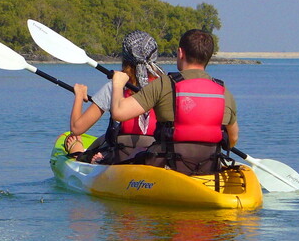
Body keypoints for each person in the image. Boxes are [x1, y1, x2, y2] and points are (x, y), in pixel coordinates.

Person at [109, 29, 238, 175]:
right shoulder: (223, 91)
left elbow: (119, 113)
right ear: (208, 57)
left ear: (180, 53)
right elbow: (232, 139)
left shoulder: (165, 84)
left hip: (167, 166)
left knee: (136, 153)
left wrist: (118, 84)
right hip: (208, 166)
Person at [65, 30, 165, 163]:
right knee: (102, 139)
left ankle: (77, 150)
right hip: (156, 152)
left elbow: (77, 128)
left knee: (81, 144)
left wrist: (79, 95)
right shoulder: (166, 85)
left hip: (121, 155)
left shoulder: (115, 86)